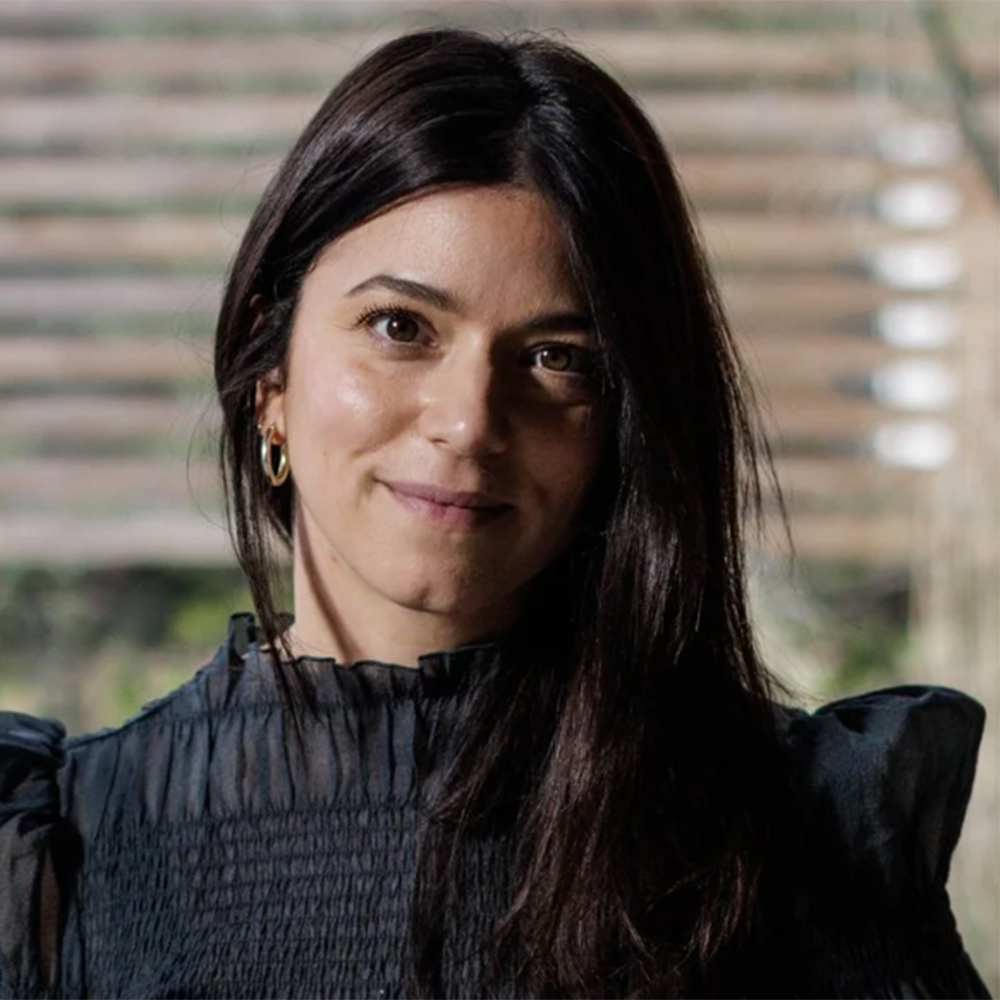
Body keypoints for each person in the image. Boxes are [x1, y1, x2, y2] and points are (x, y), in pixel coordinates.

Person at [0, 27, 989, 1000]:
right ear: (270, 375)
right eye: (400, 328)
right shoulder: (67, 852)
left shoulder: (793, 828)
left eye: (558, 358)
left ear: (624, 426)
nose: (470, 422)